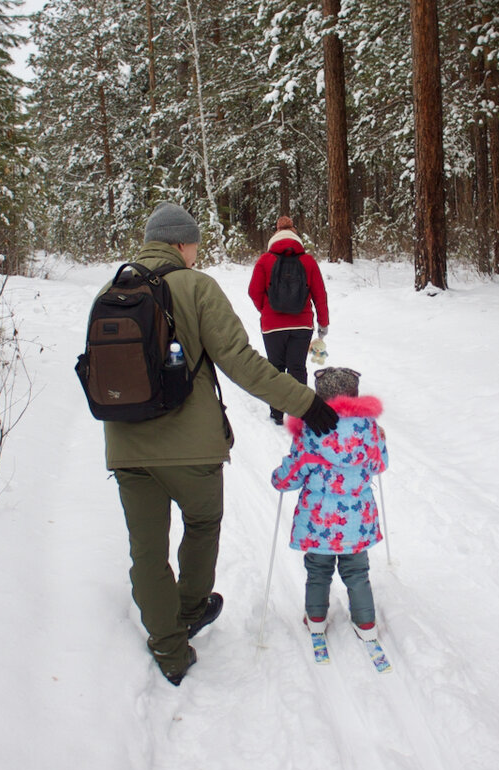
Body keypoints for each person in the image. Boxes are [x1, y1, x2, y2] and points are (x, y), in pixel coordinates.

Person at [104, 202, 339, 686]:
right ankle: (190, 611)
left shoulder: (113, 289)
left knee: (146, 550)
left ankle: (168, 648)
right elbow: (242, 362)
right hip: (191, 450)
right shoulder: (196, 287)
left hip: (126, 448)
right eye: (194, 245)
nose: (196, 253)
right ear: (180, 243)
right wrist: (307, 403)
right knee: (202, 522)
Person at [270, 366, 388, 640]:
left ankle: (316, 619)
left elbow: (294, 470)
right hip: (356, 522)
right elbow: (380, 464)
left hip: (319, 521)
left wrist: (279, 479)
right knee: (357, 570)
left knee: (318, 569)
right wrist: (381, 442)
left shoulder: (311, 431)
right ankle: (366, 623)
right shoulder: (369, 430)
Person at [248, 215, 329, 425]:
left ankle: (277, 413)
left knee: (276, 368)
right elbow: (320, 294)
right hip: (302, 325)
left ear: (275, 236)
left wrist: (265, 310)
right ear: (296, 236)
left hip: (272, 326)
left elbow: (253, 291)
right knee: (297, 367)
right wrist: (323, 322)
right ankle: (300, 413)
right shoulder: (308, 261)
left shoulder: (265, 260)